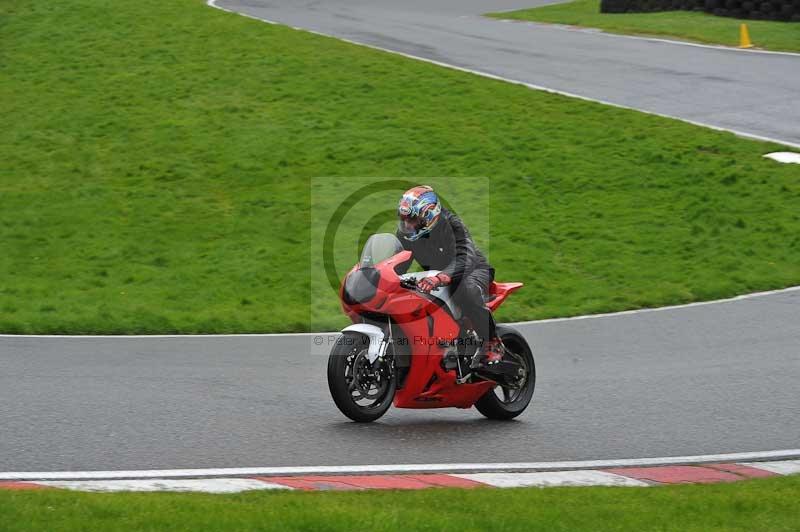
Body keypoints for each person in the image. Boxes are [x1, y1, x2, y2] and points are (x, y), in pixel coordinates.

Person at [395, 185, 504, 366]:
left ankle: (492, 343)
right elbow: (398, 261)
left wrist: (442, 277)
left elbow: (465, 256)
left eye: (412, 219)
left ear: (428, 215)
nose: (407, 225)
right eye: (404, 219)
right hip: (434, 278)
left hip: (472, 270)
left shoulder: (453, 224)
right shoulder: (406, 234)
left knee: (463, 289)